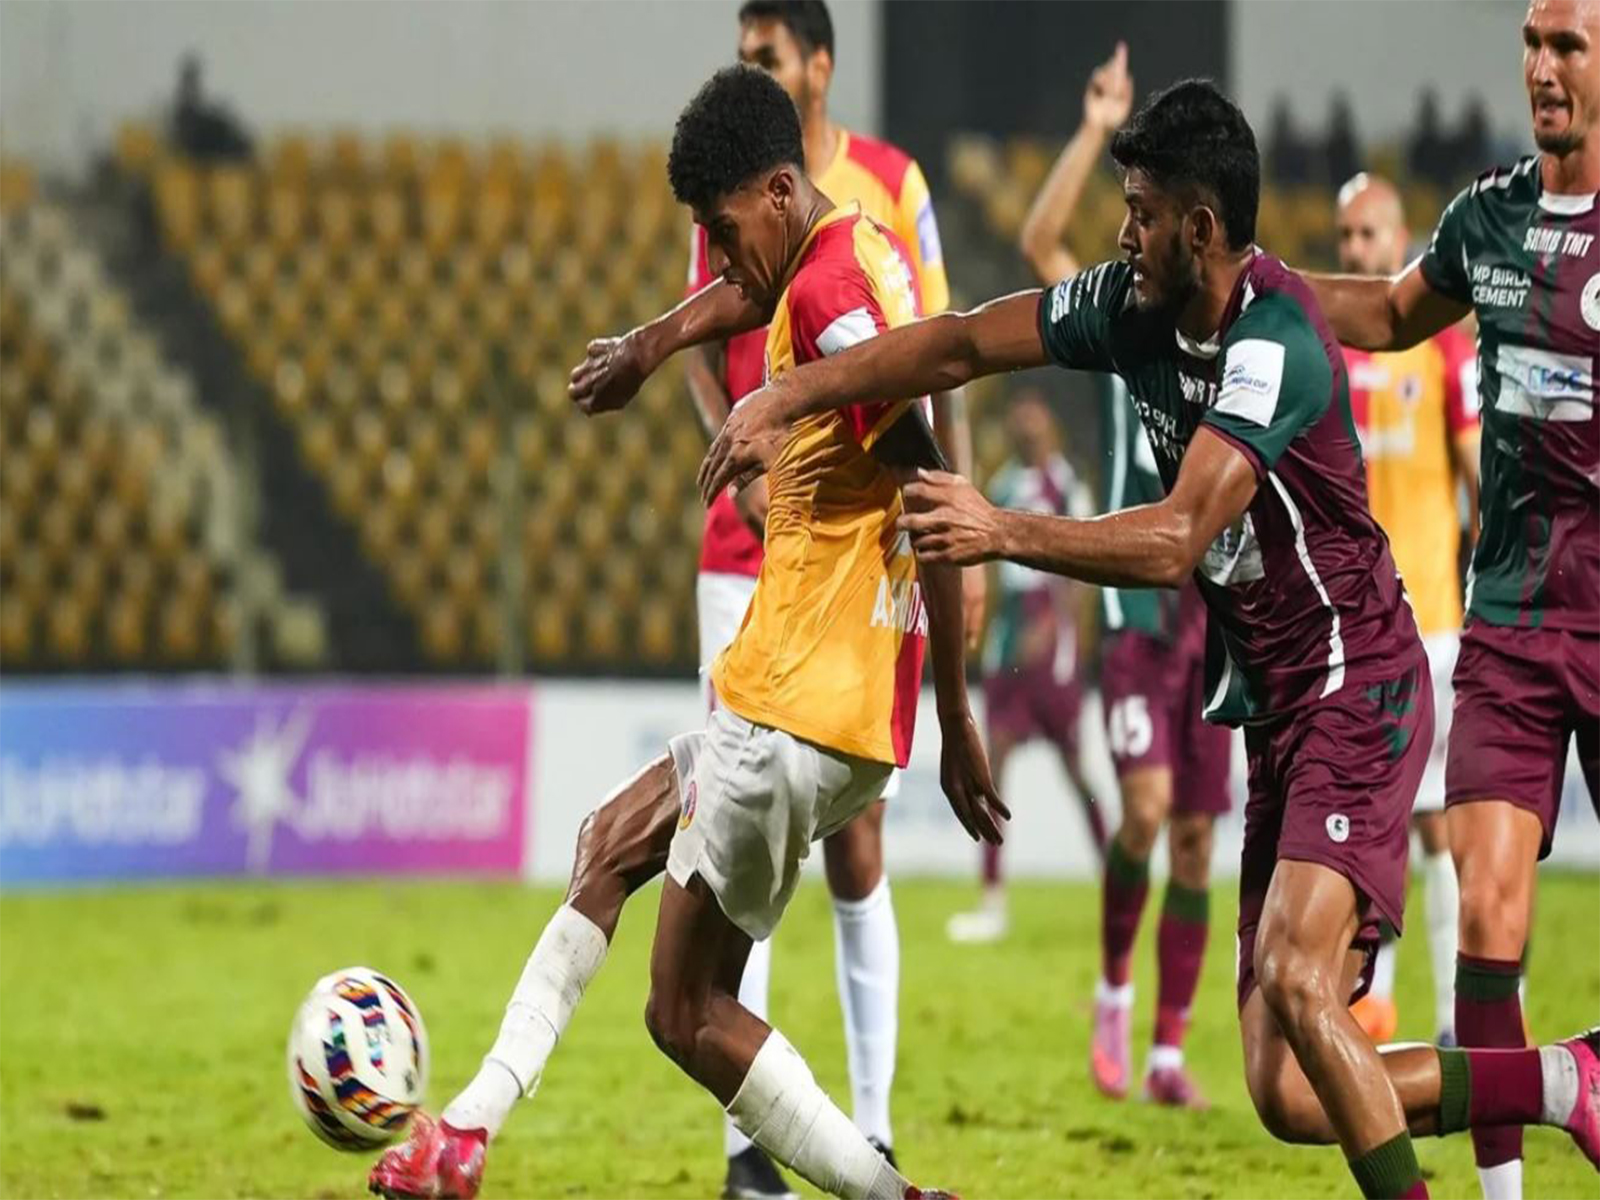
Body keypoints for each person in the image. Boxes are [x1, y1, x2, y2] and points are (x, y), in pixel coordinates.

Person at [695, 77, 1600, 1200]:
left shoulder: (1275, 342)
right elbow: (963, 343)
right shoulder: (1131, 306)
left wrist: (1000, 528)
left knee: (1297, 979)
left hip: (1357, 692)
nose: (1123, 234)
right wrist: (793, 395)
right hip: (1277, 716)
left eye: (1140, 211)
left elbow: (1175, 538)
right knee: (1287, 1091)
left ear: (1200, 228)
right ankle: (1561, 1085)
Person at [368, 65, 1004, 1200]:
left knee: (680, 1000)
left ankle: (883, 1195)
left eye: (720, 231)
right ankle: (462, 1138)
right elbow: (755, 304)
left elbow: (928, 484)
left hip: (794, 701)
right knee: (621, 877)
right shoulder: (831, 253)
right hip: (831, 715)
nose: (716, 259)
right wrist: (653, 343)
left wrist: (959, 714)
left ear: (773, 191)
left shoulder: (829, 299)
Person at [679, 5, 983, 1191]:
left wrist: (958, 522)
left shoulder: (883, 197)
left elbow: (933, 359)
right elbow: (719, 333)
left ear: (818, 62)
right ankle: (751, 1144)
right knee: (724, 850)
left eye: (767, 52)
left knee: (844, 853)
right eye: (742, 51)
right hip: (752, 541)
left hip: (861, 538)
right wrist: (719, 419)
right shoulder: (732, 194)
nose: (751, 66)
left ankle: (870, 1131)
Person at [1302, 3, 1599, 1195]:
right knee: (1484, 917)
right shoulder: (1488, 217)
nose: (1541, 67)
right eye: (1531, 43)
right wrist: (1255, 284)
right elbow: (1381, 315)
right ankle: (1501, 1191)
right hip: (1513, 625)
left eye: (1567, 46)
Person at [1015, 42, 1229, 1109]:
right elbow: (1039, 238)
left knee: (1195, 840)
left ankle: (1166, 1050)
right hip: (1134, 608)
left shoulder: (1232, 327)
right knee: (1142, 813)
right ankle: (1110, 991)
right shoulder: (1117, 317)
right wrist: (1097, 126)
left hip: (1214, 616)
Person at [1331, 172, 1480, 1052]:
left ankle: (1456, 1021)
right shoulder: (1324, 349)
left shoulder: (1444, 351)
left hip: (1429, 623)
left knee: (1431, 825)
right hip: (1348, 628)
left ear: (1401, 241)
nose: (1356, 252)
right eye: (1346, 238)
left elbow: (1477, 478)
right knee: (1356, 823)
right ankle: (1356, 1017)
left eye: (1370, 236)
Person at [944, 386, 1106, 946]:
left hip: (1052, 653)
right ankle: (992, 901)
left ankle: (1115, 879)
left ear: (1049, 420)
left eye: (1033, 406)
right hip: (1009, 650)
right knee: (992, 773)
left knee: (1077, 771)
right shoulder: (1004, 485)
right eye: (1019, 407)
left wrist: (1065, 632)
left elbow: (1087, 568)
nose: (1023, 415)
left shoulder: (1068, 486)